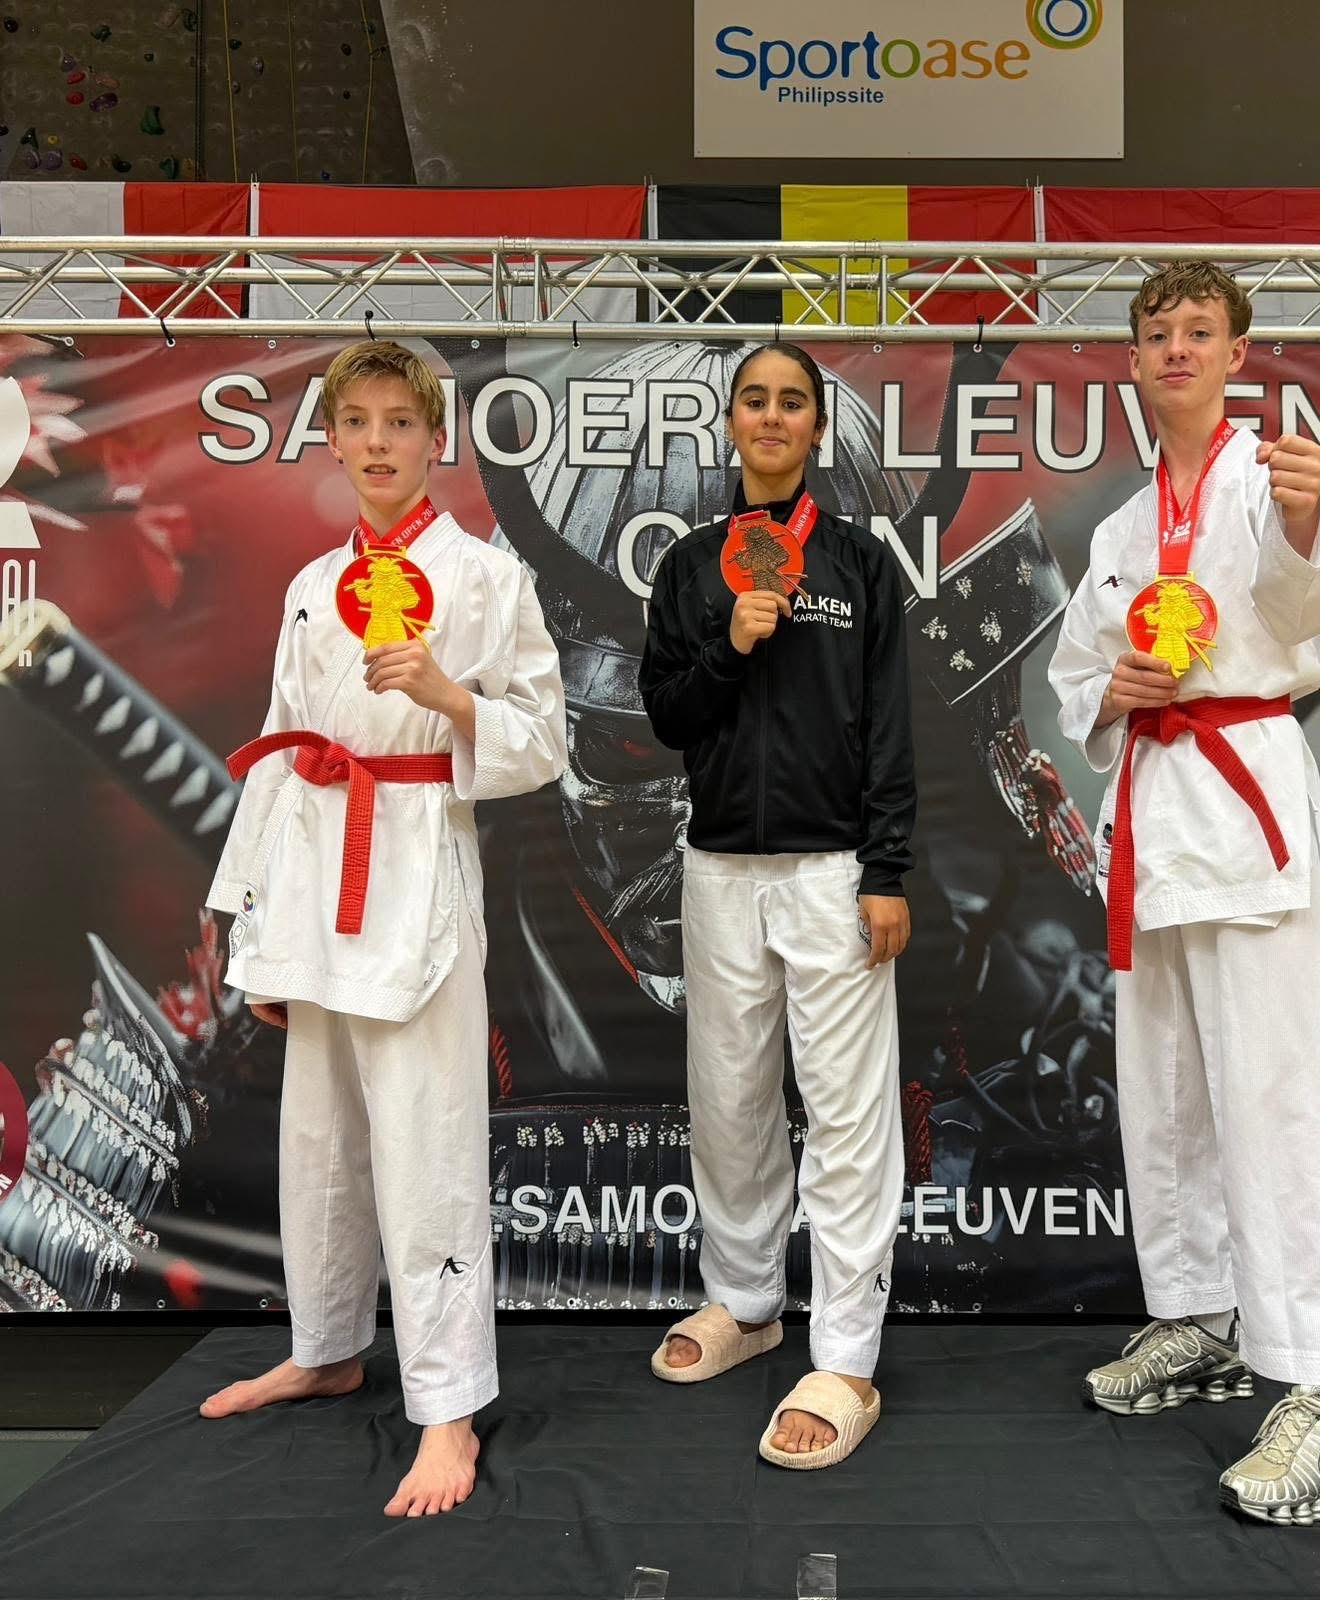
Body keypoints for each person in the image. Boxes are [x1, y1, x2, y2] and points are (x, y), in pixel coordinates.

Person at [198, 339, 567, 1517]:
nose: (375, 442)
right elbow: (279, 743)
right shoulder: (314, 583)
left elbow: (545, 737)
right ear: (331, 436)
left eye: (398, 422)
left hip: (417, 871)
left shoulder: (484, 578)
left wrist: (449, 697)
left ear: (434, 437)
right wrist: (242, 908)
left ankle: (448, 1404)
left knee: (425, 1139)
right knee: (319, 1136)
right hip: (314, 876)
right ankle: (326, 1346)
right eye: (354, 421)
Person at [1048, 263, 1320, 1525]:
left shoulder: (1275, 479)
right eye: (1156, 334)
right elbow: (1077, 673)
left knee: (1277, 1095)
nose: (1175, 349)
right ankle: (1198, 1315)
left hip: (1245, 798)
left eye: (1199, 331)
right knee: (1168, 1089)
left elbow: (1310, 608)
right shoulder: (1119, 531)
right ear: (1134, 360)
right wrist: (1110, 693)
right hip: (1152, 814)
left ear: (1238, 352)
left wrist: (1305, 523)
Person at [639, 342, 914, 1470]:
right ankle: (747, 1302)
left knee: (846, 1117)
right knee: (730, 1099)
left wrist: (886, 869)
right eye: (753, 399)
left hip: (832, 869)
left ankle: (844, 1355)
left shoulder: (859, 564)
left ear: (816, 429)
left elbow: (890, 727)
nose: (771, 416)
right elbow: (666, 713)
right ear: (730, 422)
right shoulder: (689, 564)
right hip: (717, 867)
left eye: (791, 401)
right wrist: (730, 642)